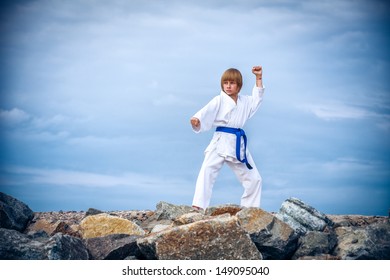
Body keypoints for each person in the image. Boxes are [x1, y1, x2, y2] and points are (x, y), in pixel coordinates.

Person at [190, 66, 265, 211]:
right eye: (226, 83)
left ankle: (250, 209)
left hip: (238, 144)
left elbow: (258, 98)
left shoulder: (246, 102)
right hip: (220, 141)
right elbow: (207, 111)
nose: (228, 86)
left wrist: (258, 77)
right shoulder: (219, 100)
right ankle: (198, 205)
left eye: (232, 83)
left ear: (239, 85)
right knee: (207, 170)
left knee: (255, 179)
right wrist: (197, 119)